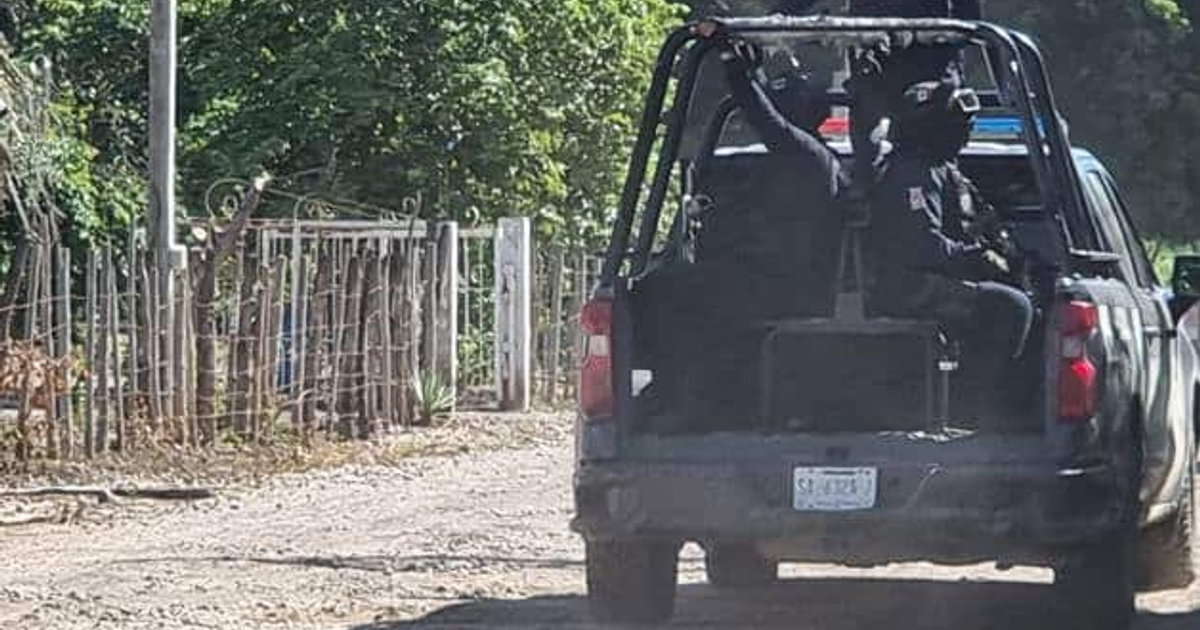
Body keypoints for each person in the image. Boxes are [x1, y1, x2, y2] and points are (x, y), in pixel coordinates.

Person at [632, 38, 846, 424]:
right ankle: (675, 391)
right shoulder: (794, 163)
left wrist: (734, 65)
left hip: (791, 290)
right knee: (664, 283)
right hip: (775, 280)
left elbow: (765, 118)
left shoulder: (807, 156)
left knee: (663, 292)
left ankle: (687, 399)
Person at [868, 77, 1034, 419]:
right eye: (958, 125)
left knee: (1035, 301)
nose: (965, 133)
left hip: (934, 279)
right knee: (1010, 307)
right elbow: (922, 247)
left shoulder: (947, 171)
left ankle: (1015, 410)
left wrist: (1007, 252)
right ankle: (969, 411)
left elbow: (984, 222)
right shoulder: (911, 172)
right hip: (908, 288)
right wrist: (978, 259)